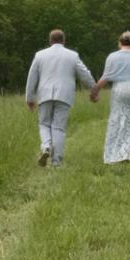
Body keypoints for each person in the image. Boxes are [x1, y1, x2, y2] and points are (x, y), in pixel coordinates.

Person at [24, 29, 95, 167]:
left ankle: (46, 147)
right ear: (64, 40)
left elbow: (31, 77)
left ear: (50, 41)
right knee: (58, 128)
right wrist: (94, 89)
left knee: (44, 124)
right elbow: (84, 74)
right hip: (64, 95)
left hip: (44, 95)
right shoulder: (72, 55)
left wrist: (30, 98)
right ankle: (56, 161)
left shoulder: (39, 55)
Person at [91, 30, 130, 164]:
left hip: (119, 90)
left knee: (118, 120)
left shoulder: (112, 56)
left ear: (119, 42)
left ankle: (118, 153)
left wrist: (94, 91)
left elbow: (105, 77)